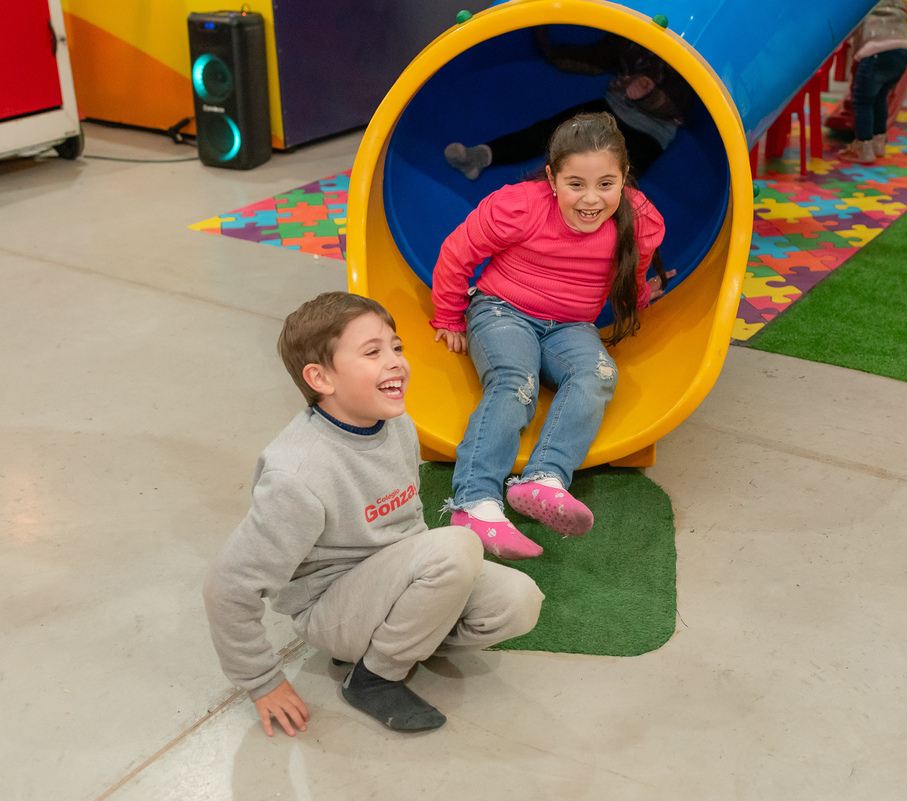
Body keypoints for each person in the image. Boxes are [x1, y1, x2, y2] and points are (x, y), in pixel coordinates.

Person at [203, 291, 544, 736]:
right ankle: (374, 676)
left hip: (392, 583)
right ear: (321, 378)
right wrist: (262, 682)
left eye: (396, 347)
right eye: (372, 352)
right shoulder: (298, 475)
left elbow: (407, 528)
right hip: (330, 609)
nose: (396, 362)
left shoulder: (398, 424)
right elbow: (226, 589)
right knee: (457, 545)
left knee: (519, 603)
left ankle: (388, 644)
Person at [432, 112, 671, 560]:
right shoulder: (520, 206)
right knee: (515, 383)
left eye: (606, 184)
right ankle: (475, 502)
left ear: (624, 180)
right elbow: (456, 253)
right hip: (504, 310)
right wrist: (447, 316)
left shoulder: (640, 219)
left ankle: (544, 479)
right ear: (552, 178)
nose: (591, 199)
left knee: (598, 374)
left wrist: (640, 298)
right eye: (575, 183)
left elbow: (631, 272)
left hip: (571, 325)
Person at [444, 29, 693, 181]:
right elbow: (595, 59)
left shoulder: (689, 44)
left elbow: (682, 103)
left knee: (618, 178)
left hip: (651, 131)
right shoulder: (630, 33)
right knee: (552, 131)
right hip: (614, 106)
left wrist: (650, 94)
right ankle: (479, 157)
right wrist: (548, 49)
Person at [838, 0, 907, 164]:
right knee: (880, 97)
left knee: (862, 101)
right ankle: (879, 144)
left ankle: (864, 150)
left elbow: (852, 26)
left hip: (876, 51)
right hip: (902, 52)